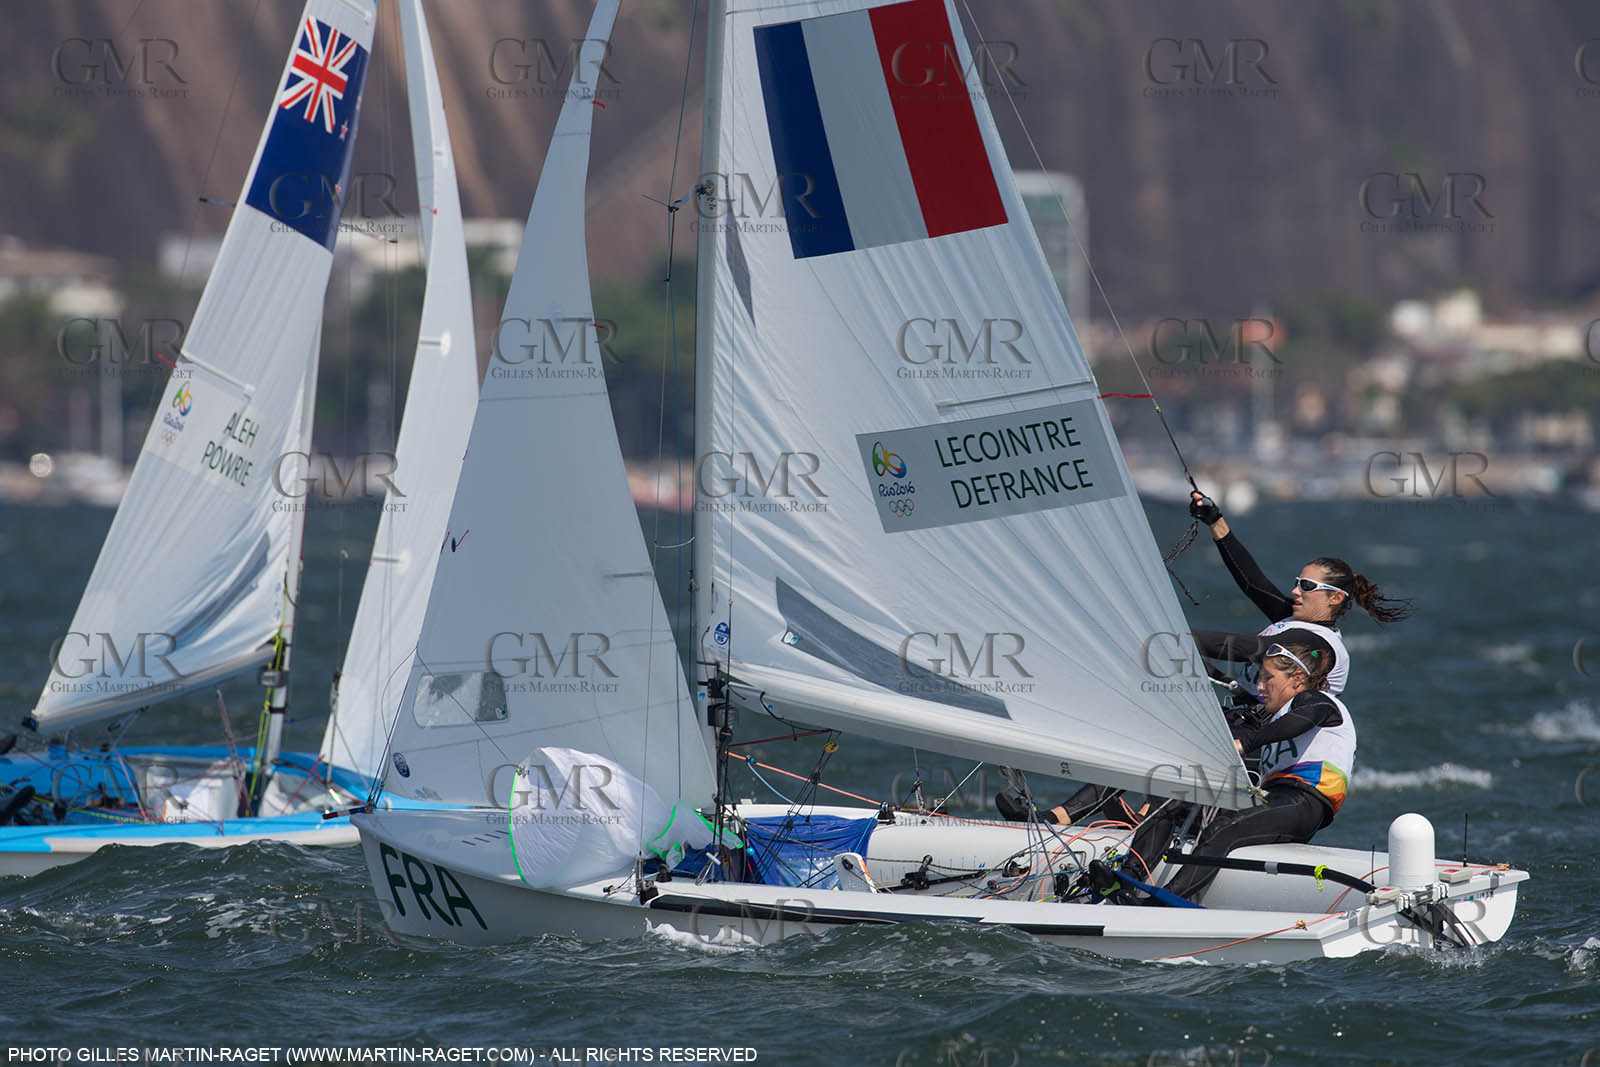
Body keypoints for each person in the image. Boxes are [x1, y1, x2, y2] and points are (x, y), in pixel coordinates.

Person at [1116, 638, 1355, 904]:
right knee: (1172, 798)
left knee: (1222, 827)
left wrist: (1245, 743)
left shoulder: (1318, 701)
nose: (1260, 686)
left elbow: (1301, 721)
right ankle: (1127, 880)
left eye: (1268, 678)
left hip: (1305, 803)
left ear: (1297, 678)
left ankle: (1159, 903)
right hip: (1271, 797)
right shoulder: (1275, 716)